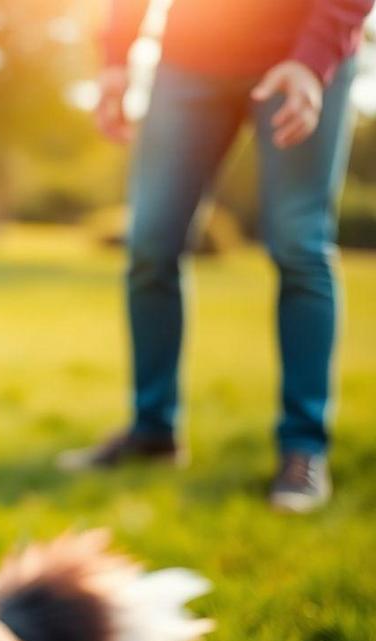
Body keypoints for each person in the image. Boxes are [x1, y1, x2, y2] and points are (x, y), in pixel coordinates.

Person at [59, 0, 373, 513]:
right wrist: (117, 58)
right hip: (190, 60)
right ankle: (153, 431)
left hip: (300, 54)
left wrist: (314, 61)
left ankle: (303, 448)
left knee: (300, 246)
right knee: (150, 246)